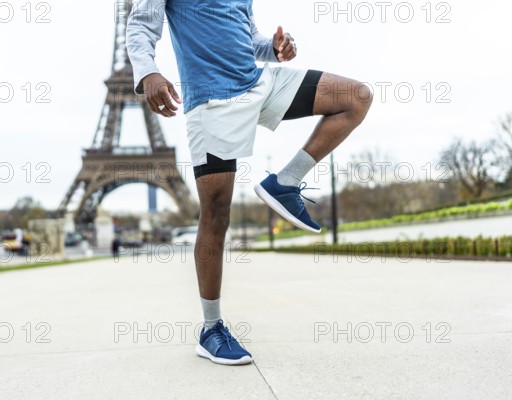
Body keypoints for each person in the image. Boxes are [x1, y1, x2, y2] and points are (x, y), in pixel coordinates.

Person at [127, 0, 373, 365]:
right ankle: (211, 330)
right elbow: (140, 26)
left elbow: (248, 37)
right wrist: (148, 73)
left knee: (356, 97)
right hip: (213, 101)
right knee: (216, 215)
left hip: (259, 81)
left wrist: (274, 48)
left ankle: (285, 183)